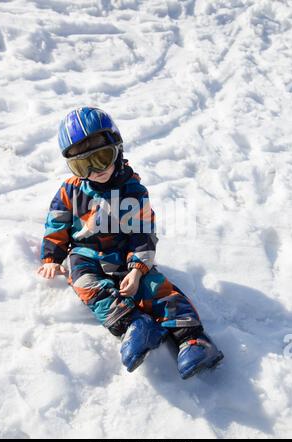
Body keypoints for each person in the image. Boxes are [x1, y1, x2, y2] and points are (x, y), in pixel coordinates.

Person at [37, 107, 224, 379]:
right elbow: (57, 223)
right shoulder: (70, 190)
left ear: (118, 149)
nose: (96, 170)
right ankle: (134, 325)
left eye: (103, 157)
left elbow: (143, 232)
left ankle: (193, 340)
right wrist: (51, 257)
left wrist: (137, 269)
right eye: (83, 165)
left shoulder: (132, 191)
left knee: (155, 288)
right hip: (85, 254)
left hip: (126, 254)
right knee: (83, 282)